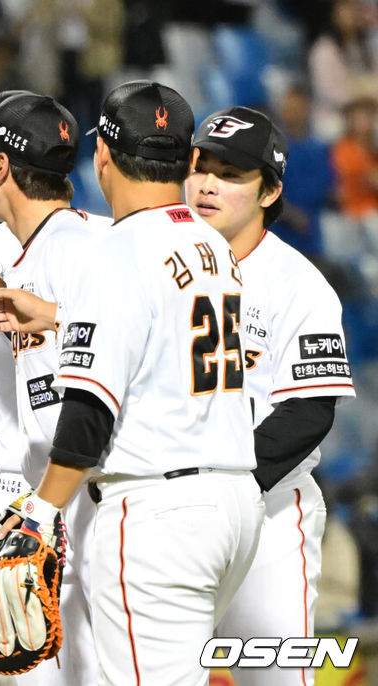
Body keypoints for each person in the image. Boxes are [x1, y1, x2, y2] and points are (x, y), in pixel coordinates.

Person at [0, 81, 264, 686]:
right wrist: (60, 317)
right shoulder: (214, 245)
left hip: (157, 515)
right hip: (234, 503)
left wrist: (37, 513)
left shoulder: (115, 252)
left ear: (102, 157)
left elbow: (87, 411)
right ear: (189, 162)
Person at [0, 90, 110, 685]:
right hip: (79, 493)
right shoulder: (107, 241)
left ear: (0, 166)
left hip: (59, 491)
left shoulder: (85, 249)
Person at [187, 106, 356, 686]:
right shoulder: (151, 260)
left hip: (267, 517)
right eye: (200, 166)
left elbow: (309, 411)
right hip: (167, 515)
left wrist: (223, 490)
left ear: (271, 190)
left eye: (231, 173)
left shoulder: (297, 284)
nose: (208, 183)